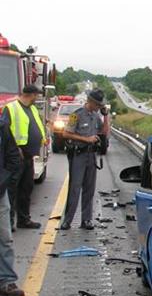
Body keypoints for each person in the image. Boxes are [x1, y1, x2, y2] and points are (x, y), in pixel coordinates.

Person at [59, 89, 110, 231]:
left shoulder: (96, 116)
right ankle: (67, 220)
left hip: (91, 156)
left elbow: (104, 132)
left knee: (89, 189)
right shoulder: (77, 115)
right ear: (91, 102)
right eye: (98, 105)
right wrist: (86, 139)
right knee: (75, 188)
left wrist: (106, 116)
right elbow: (66, 133)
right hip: (79, 155)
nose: (99, 107)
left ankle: (86, 220)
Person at [1, 85, 47, 231]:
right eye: (37, 95)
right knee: (11, 190)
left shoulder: (32, 109)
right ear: (31, 95)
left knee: (26, 189)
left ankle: (24, 219)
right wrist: (16, 150)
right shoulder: (11, 107)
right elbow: (5, 131)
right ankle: (8, 222)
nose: (38, 98)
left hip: (28, 157)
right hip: (16, 157)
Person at [0, 111, 25, 296]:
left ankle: (7, 281)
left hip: (0, 193)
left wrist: (4, 181)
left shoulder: (2, 127)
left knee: (4, 238)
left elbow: (13, 157)